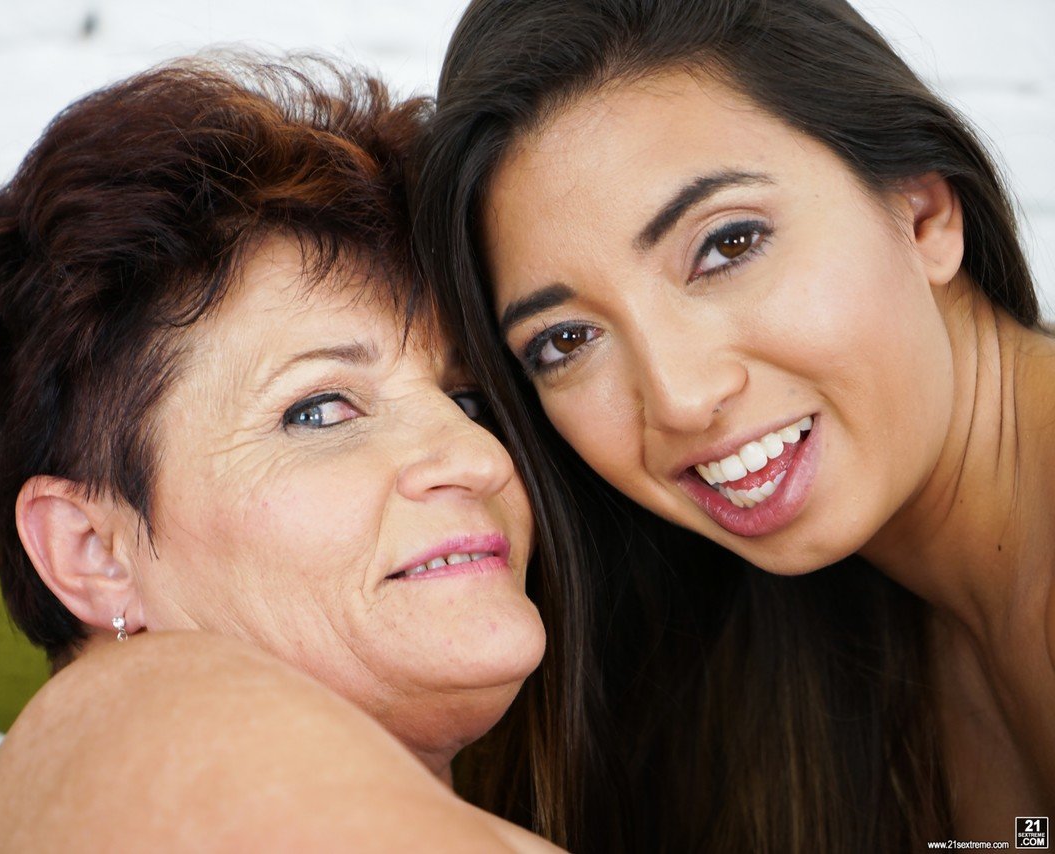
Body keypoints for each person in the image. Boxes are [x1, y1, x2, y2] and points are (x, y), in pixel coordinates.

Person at [0, 56, 604, 851]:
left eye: (467, 401)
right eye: (319, 411)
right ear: (93, 551)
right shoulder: (151, 707)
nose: (478, 456)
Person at [414, 0, 1053, 849]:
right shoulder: (805, 645)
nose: (678, 397)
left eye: (727, 245)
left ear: (925, 214)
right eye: (567, 341)